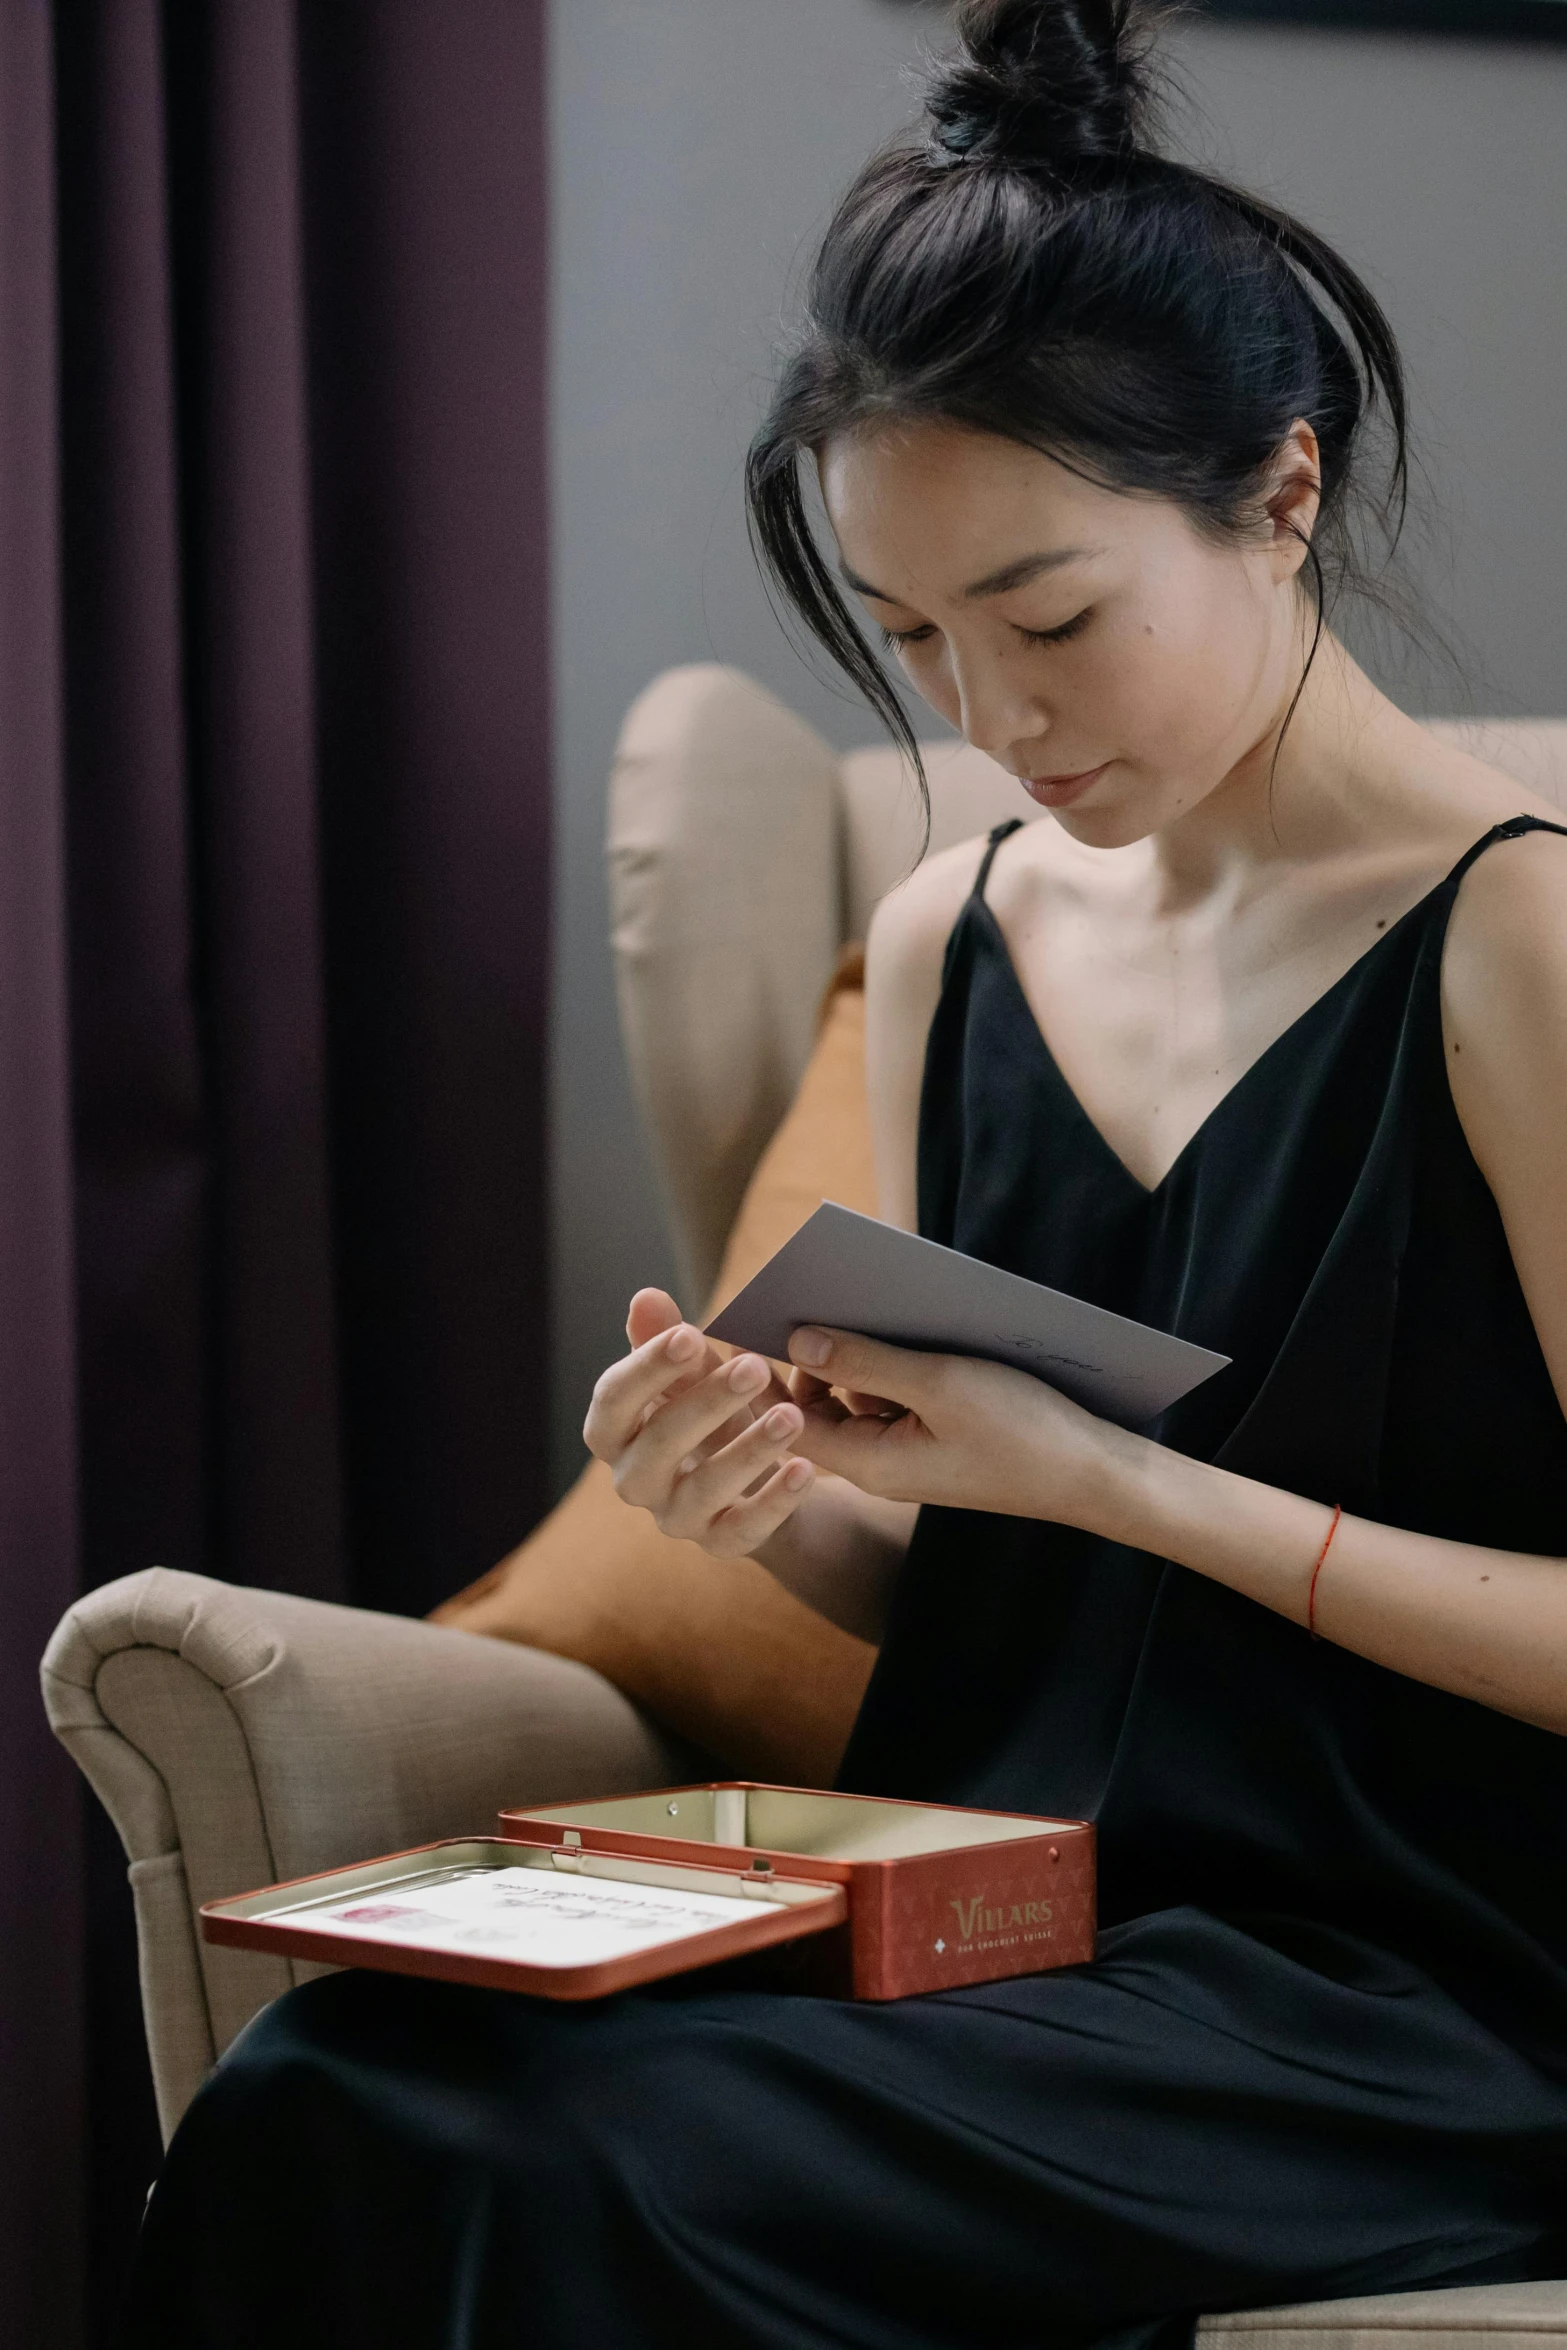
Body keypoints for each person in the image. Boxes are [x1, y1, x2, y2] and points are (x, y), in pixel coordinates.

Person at [120, 4, 1567, 2345]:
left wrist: (1120, 1481)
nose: (993, 723)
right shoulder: (944, 942)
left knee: (582, 2158)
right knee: (342, 2081)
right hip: (996, 1909)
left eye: (1053, 616)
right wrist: (768, 1488)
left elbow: (1143, 1528)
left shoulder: (1521, 936)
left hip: (1416, 1990)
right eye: (913, 642)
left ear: (1283, 496)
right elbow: (973, 1589)